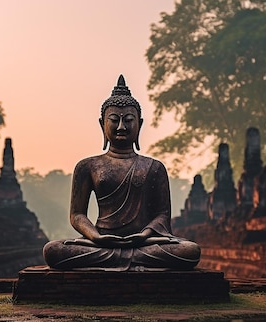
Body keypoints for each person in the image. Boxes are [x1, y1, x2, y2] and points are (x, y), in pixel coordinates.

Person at [42, 75, 200, 271]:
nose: (121, 127)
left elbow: (162, 215)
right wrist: (96, 236)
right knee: (53, 250)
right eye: (114, 120)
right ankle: (132, 262)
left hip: (143, 244)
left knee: (190, 251)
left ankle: (118, 261)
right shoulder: (88, 166)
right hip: (101, 244)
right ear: (102, 124)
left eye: (129, 120)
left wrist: (143, 235)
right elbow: (77, 215)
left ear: (139, 125)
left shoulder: (154, 167)